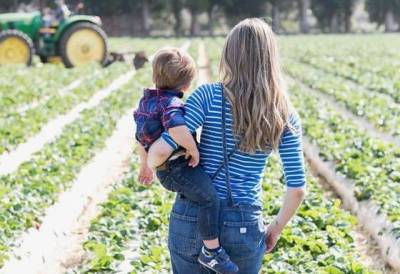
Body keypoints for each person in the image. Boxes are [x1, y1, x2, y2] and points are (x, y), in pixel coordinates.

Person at [146, 18, 306, 274]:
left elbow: (165, 147)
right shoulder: (283, 114)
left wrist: (149, 161)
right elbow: (297, 188)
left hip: (192, 216)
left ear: (229, 55)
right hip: (245, 224)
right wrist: (275, 227)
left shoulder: (206, 96)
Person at [134, 47, 239, 274]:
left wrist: (145, 165)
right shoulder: (171, 104)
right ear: (186, 85)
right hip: (176, 167)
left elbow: (140, 138)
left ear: (155, 76)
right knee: (209, 198)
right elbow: (177, 130)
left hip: (165, 169)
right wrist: (193, 149)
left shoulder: (145, 103)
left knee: (199, 194)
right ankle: (211, 251)